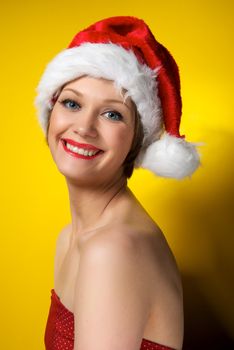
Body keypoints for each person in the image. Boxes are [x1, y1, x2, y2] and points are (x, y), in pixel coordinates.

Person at [35, 16, 201, 350]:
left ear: (137, 141)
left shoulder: (112, 250)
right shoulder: (72, 237)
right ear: (51, 113)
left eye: (112, 114)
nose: (84, 127)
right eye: (72, 103)